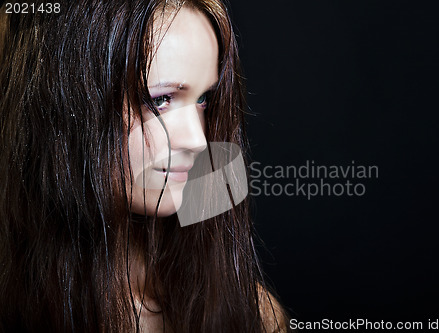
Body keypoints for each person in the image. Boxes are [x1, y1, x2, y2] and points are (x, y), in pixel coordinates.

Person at [0, 0, 288, 332]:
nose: (198, 140)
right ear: (58, 105)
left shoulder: (246, 310)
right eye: (160, 100)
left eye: (203, 99)